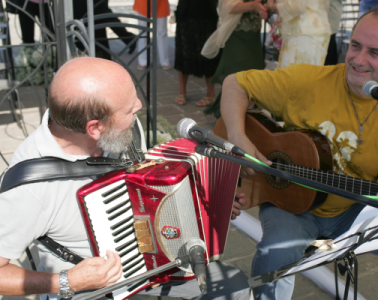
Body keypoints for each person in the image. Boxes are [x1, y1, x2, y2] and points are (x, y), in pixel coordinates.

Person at [0, 57, 250, 300]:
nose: (139, 106)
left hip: (151, 259)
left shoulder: (119, 133)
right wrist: (67, 282)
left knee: (234, 286)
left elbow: (146, 190)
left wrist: (204, 208)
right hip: (89, 288)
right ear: (96, 128)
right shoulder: (29, 190)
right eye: (129, 109)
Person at [220, 5, 378, 300]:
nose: (359, 59)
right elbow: (233, 84)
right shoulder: (307, 81)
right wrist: (239, 138)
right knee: (277, 249)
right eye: (355, 46)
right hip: (289, 204)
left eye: (375, 53)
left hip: (351, 211)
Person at [201, 0, 267, 118]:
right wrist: (253, 5)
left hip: (253, 37)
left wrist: (265, 8)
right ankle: (231, 115)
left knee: (254, 73)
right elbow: (228, 7)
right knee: (236, 72)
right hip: (236, 35)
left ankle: (247, 114)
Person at [174, 0, 221, 107]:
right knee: (183, 53)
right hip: (185, 15)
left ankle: (210, 93)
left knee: (207, 54)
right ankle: (182, 91)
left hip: (206, 16)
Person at [266, 0, 332, 68]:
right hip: (314, 30)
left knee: (294, 76)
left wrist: (272, 6)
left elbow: (297, 5)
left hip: (301, 33)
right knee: (309, 76)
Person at [133, 0, 172, 70]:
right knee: (143, 33)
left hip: (161, 3)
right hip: (143, 3)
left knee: (162, 32)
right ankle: (143, 61)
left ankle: (164, 61)